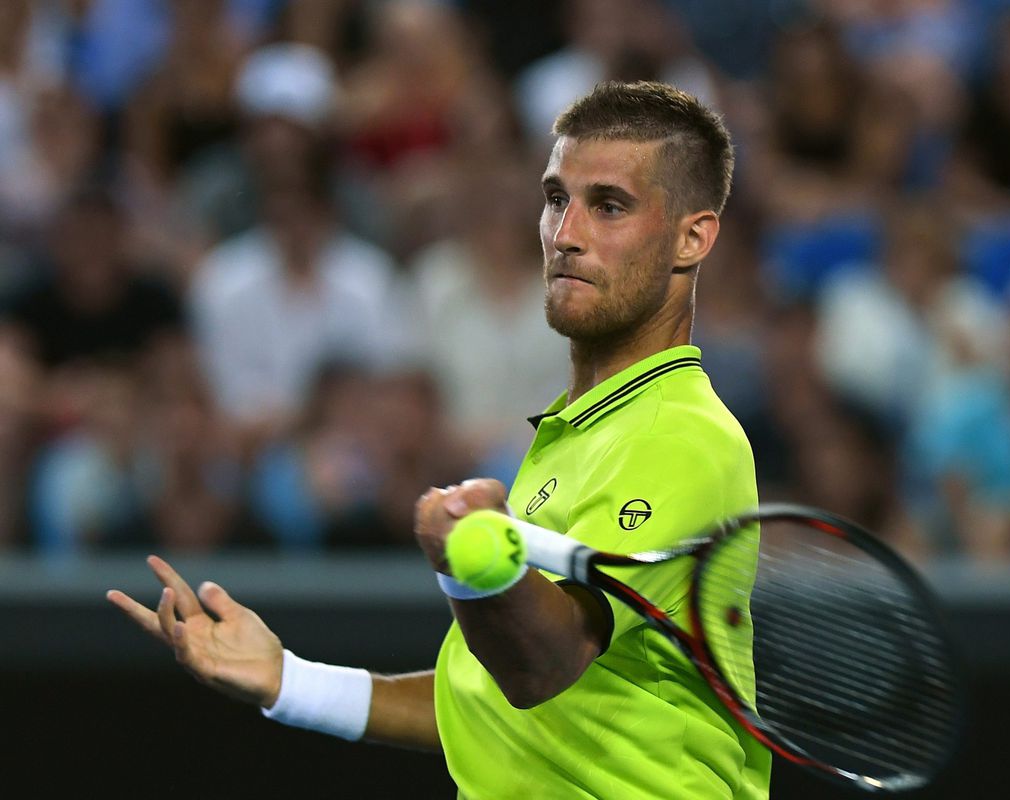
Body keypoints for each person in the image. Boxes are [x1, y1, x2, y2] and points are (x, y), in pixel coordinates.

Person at [106, 81, 772, 798]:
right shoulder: (581, 433)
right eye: (555, 199)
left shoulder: (683, 436)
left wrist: (470, 564)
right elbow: (486, 701)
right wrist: (289, 680)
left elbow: (541, 667)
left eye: (609, 205)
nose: (566, 233)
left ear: (692, 237)